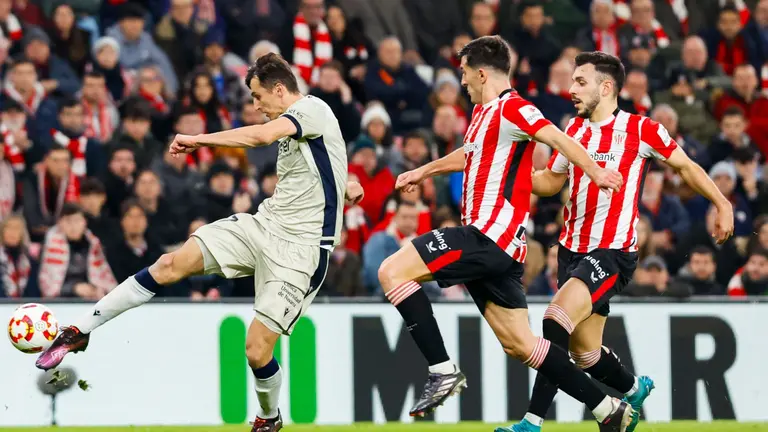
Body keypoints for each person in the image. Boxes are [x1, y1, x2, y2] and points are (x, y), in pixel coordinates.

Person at [35, 53, 364, 432]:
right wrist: (344, 187)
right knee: (169, 264)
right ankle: (79, 330)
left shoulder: (312, 108)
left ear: (279, 89)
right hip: (265, 225)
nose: (256, 107)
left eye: (258, 97)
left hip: (302, 251)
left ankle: (269, 418)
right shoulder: (301, 127)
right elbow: (318, 170)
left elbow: (259, 136)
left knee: (257, 350)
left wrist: (198, 139)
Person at [381, 36, 631, 431]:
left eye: (464, 73)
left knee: (392, 272)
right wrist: (423, 170)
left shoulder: (515, 108)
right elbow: (469, 154)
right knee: (523, 345)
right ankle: (607, 408)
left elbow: (556, 137)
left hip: (487, 236)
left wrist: (596, 171)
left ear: (482, 72)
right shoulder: (483, 115)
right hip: (499, 249)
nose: (461, 82)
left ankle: (442, 370)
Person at [500, 51, 734, 432]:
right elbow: (551, 182)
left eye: (580, 82)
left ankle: (531, 421)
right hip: (571, 252)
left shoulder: (642, 130)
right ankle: (632, 387)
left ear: (606, 87)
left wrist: (722, 203)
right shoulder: (572, 131)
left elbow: (685, 166)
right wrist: (512, 173)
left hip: (611, 253)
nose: (571, 89)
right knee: (585, 353)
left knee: (554, 320)